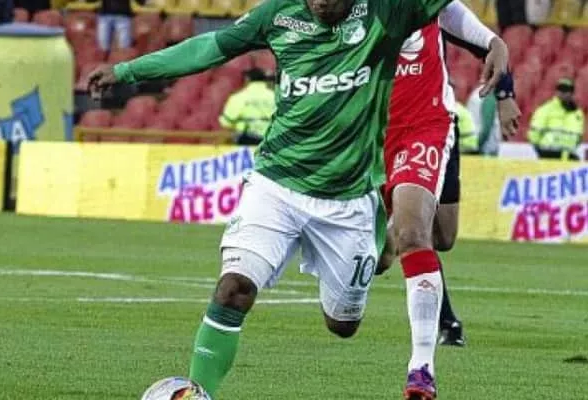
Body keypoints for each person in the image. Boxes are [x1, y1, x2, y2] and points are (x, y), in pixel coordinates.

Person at [87, 0, 507, 397]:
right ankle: (199, 393)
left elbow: (451, 11)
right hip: (276, 184)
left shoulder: (386, 13)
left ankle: (383, 236)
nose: (320, 4)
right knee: (233, 288)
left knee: (343, 323)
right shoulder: (278, 14)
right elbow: (209, 48)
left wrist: (495, 44)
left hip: (347, 203)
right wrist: (127, 71)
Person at [377, 1, 519, 351]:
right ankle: (446, 321)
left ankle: (391, 233)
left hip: (435, 125)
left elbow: (485, 41)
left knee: (444, 235)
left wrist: (505, 95)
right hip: (382, 130)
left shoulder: (434, 7)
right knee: (415, 231)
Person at [528, 78, 585, 161]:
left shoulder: (577, 113)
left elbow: (579, 135)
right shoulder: (546, 109)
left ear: (572, 93)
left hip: (568, 153)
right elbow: (534, 132)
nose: (562, 93)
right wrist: (540, 151)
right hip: (548, 152)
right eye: (560, 90)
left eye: (566, 90)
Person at [218, 68, 275, 145]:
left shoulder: (239, 97)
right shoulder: (275, 96)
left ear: (247, 79)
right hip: (272, 139)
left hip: (247, 139)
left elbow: (226, 122)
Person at [467, 85, 501, 156]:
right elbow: (487, 127)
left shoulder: (477, 93)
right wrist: (478, 145)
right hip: (486, 148)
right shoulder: (489, 96)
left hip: (474, 142)